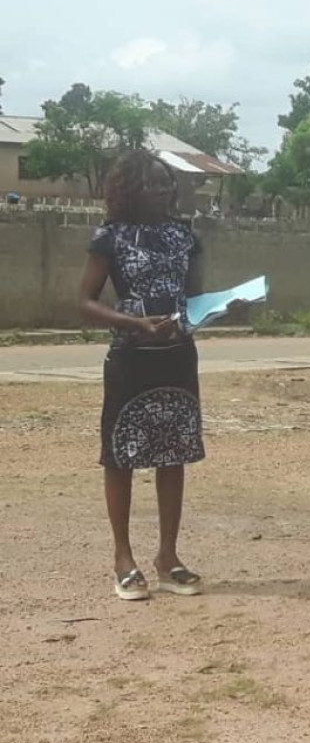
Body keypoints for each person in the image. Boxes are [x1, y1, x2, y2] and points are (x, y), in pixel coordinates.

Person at [78, 150, 207, 601]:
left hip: (178, 357)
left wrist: (226, 308)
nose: (162, 189)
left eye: (166, 182)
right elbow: (86, 301)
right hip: (131, 357)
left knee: (173, 454)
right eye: (152, 183)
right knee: (121, 456)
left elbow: (195, 298)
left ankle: (168, 558)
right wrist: (133, 324)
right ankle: (123, 559)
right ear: (129, 188)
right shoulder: (109, 236)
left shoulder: (183, 235)